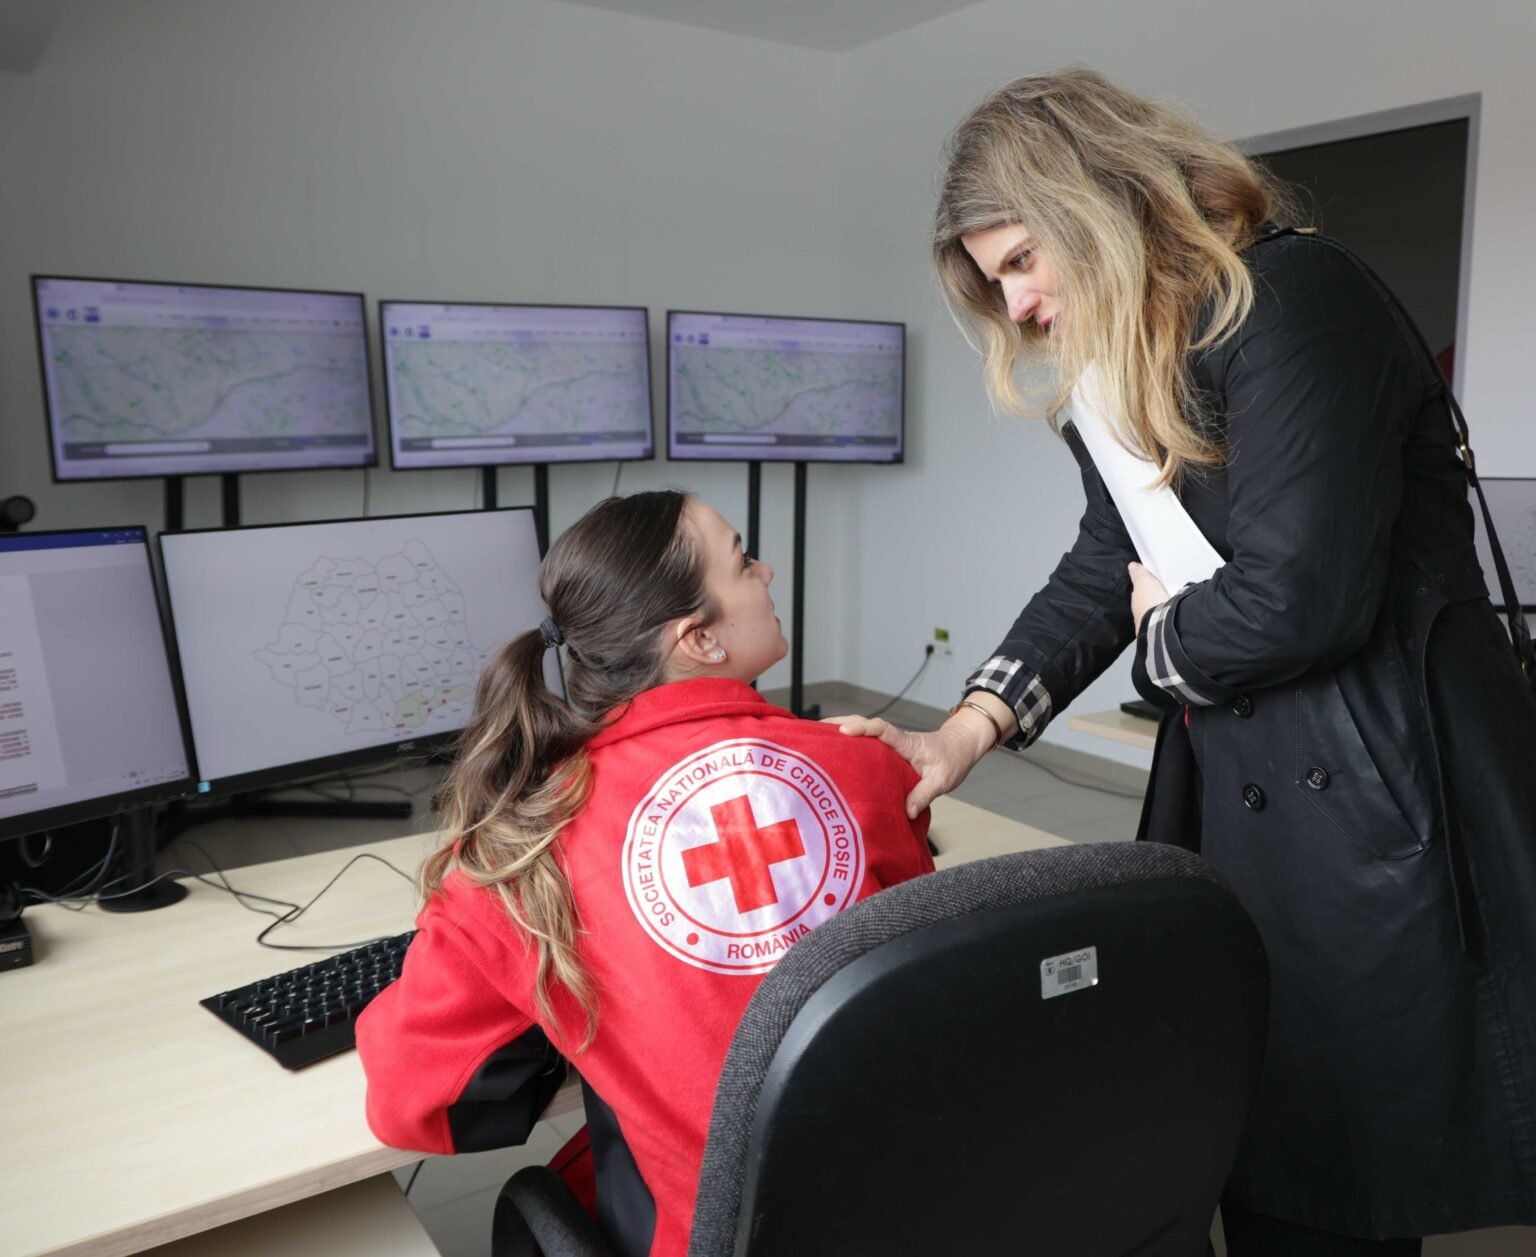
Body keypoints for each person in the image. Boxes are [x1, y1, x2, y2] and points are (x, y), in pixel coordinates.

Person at [834, 69, 1536, 1252]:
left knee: (1344, 1173)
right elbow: (1102, 564)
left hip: (1385, 798)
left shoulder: (1296, 300)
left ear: (1096, 201)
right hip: (1256, 788)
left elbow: (1299, 601)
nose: (1016, 305)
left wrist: (1163, 642)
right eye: (994, 281)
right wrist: (966, 728)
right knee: (1259, 1126)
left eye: (1021, 262)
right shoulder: (1126, 363)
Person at [357, 490, 934, 1257]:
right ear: (698, 637)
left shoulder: (526, 842)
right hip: (918, 1214)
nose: (766, 571)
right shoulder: (871, 768)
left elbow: (410, 1101)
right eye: (742, 561)